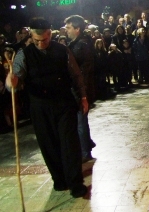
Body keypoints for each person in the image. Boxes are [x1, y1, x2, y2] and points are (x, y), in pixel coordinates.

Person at [6, 18, 88, 198]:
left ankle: (75, 182)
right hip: (39, 106)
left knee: (69, 143)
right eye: (36, 41)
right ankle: (59, 179)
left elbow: (76, 75)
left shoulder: (62, 50)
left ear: (50, 34)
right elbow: (15, 79)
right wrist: (12, 81)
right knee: (48, 144)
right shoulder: (24, 54)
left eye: (44, 40)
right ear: (31, 36)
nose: (40, 44)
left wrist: (82, 97)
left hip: (64, 103)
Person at [65, 15, 96, 163]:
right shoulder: (77, 44)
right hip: (81, 88)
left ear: (77, 29)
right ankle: (87, 145)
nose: (66, 30)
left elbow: (79, 70)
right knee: (81, 120)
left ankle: (84, 152)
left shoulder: (80, 46)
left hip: (81, 89)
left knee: (80, 121)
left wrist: (80, 91)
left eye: (69, 27)